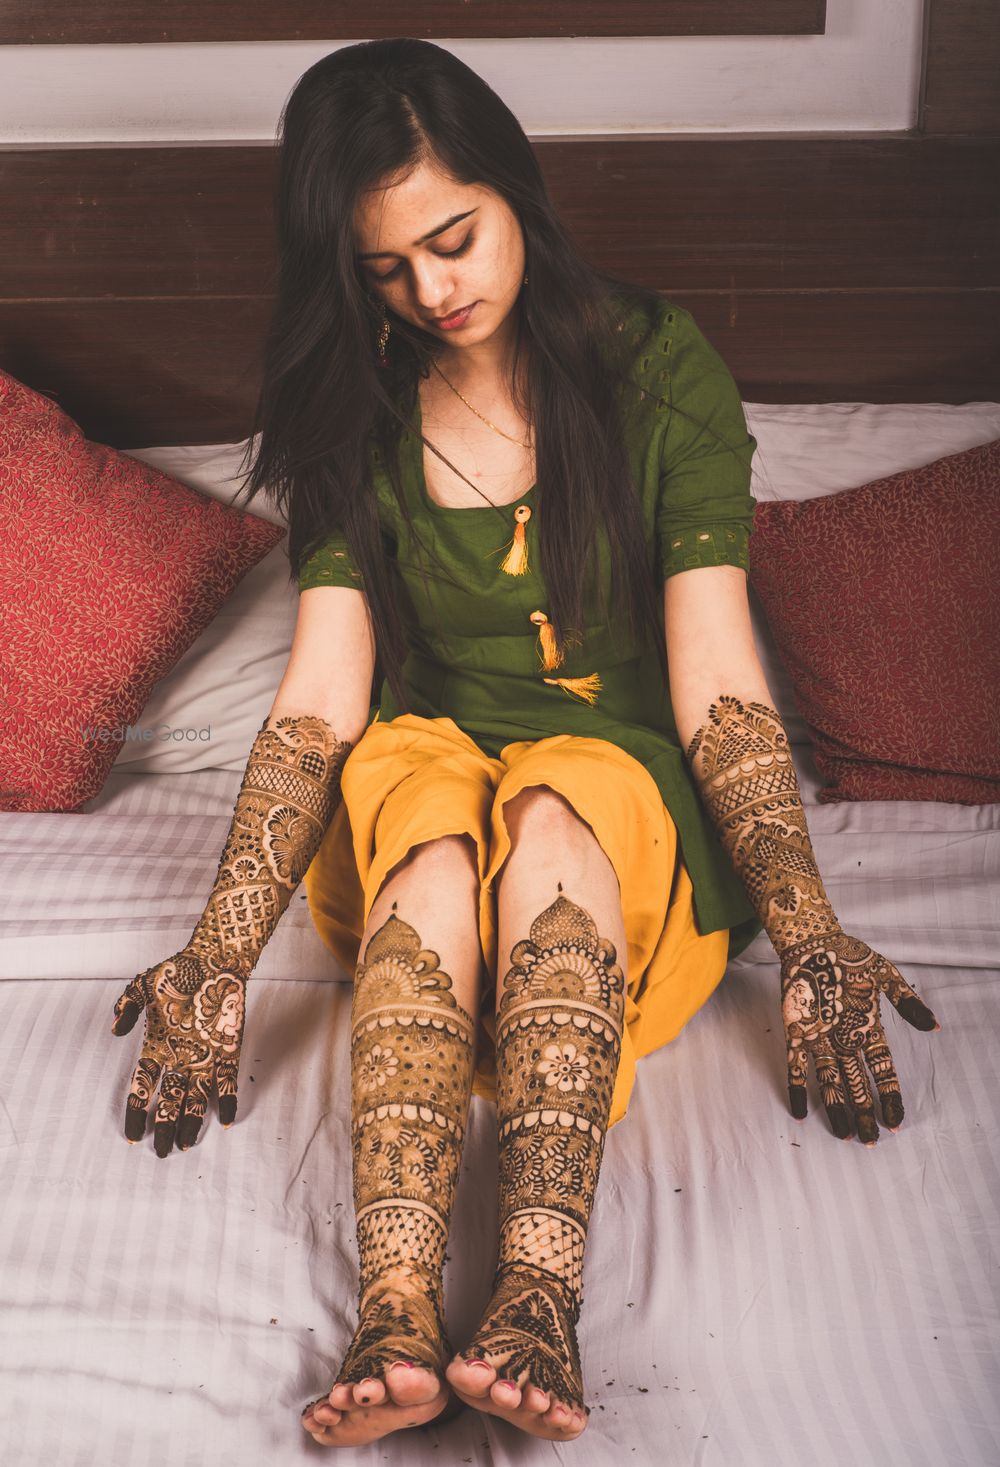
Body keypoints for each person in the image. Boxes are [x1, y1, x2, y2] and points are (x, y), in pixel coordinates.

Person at [108, 38, 942, 1449]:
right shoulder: (352, 412)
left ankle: (539, 1301)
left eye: (454, 237)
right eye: (387, 269)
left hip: (615, 800)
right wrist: (213, 958)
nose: (434, 290)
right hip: (432, 761)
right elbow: (323, 695)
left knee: (562, 802)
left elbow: (717, 671)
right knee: (428, 846)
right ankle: (395, 1319)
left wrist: (810, 935)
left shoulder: (655, 365)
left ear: (516, 190)